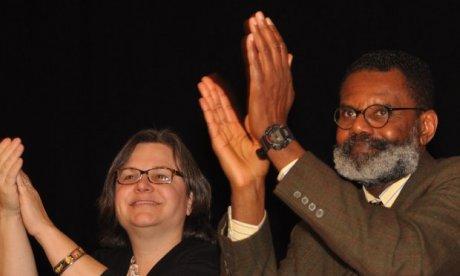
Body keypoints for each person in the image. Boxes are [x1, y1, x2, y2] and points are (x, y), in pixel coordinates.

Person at [197, 11, 460, 275]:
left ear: (425, 127)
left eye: (380, 113)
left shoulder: (451, 182)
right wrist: (248, 189)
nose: (356, 126)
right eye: (348, 113)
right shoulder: (315, 230)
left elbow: (410, 263)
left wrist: (276, 137)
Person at [0, 129, 219, 275]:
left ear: (190, 200)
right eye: (129, 176)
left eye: (161, 175)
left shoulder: (212, 263)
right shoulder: (104, 262)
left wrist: (43, 228)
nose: (142, 185)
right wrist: (10, 213)